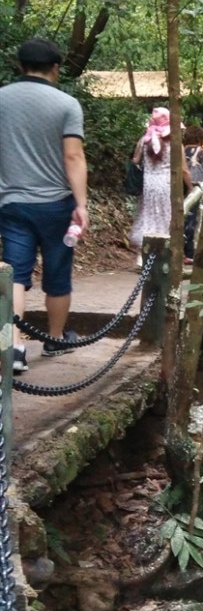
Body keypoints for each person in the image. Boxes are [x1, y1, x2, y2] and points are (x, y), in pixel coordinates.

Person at [0, 38, 88, 374]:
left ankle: (16, 347)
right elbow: (73, 155)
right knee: (57, 273)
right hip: (56, 205)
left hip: (11, 203)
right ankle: (54, 340)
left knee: (15, 274)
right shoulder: (66, 104)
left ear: (19, 65)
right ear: (55, 68)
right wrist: (81, 204)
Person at [129, 106, 191, 265]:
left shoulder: (144, 140)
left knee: (147, 215)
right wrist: (190, 188)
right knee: (166, 217)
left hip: (148, 184)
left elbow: (135, 160)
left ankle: (142, 257)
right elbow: (184, 170)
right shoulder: (176, 144)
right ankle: (163, 255)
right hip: (166, 184)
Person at [182, 124, 203, 263]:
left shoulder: (181, 150)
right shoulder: (201, 151)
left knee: (183, 217)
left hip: (181, 186)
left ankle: (181, 250)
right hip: (196, 187)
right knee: (194, 220)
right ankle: (191, 252)